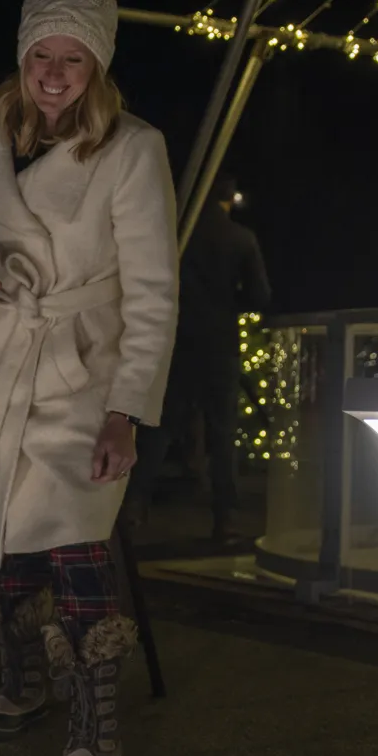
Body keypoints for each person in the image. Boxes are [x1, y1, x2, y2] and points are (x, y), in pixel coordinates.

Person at [0, 0, 179, 756]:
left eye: (73, 60)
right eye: (43, 55)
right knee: (4, 529)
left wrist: (126, 411)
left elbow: (153, 292)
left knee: (76, 540)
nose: (54, 75)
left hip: (82, 369)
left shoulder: (132, 148)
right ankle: (24, 680)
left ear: (97, 67)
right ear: (23, 56)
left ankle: (96, 728)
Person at [126, 171, 271, 544]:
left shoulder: (178, 234)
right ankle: (225, 517)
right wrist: (228, 303)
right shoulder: (240, 238)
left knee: (161, 426)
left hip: (177, 340)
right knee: (222, 432)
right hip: (219, 343)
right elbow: (260, 296)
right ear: (228, 197)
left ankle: (134, 505)